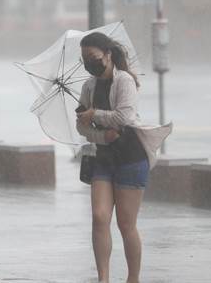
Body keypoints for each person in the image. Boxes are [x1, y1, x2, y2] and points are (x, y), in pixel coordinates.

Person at [76, 32, 173, 283]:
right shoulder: (88, 86)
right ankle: (103, 279)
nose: (89, 62)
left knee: (125, 224)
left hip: (131, 157)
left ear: (108, 55)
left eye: (93, 56)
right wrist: (101, 137)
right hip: (104, 158)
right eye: (84, 58)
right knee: (99, 217)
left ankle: (133, 278)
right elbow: (81, 127)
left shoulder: (125, 82)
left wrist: (95, 114)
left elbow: (125, 118)